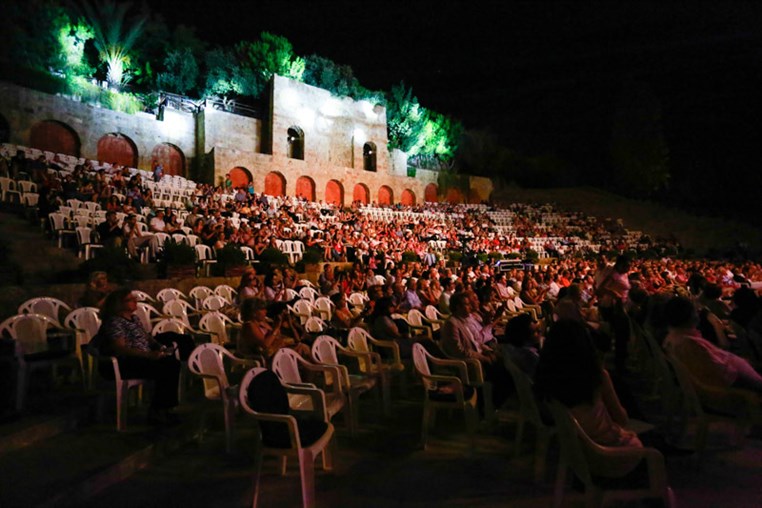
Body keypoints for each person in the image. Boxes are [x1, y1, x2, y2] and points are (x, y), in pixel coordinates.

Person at [534, 319, 641, 448]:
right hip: (604, 448)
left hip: (573, 444)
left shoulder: (546, 374)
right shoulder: (596, 377)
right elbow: (622, 419)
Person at [95, 289, 182, 425]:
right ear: (119, 304)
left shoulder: (134, 318)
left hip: (141, 358)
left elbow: (146, 337)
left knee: (172, 363)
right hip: (123, 363)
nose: (135, 301)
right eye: (130, 299)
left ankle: (165, 408)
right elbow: (121, 348)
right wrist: (148, 355)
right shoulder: (115, 322)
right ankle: (158, 410)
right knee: (166, 367)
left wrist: (159, 347)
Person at [664, 296, 762, 394]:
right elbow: (724, 376)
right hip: (743, 385)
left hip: (742, 374)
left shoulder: (678, 338)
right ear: (687, 315)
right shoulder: (688, 344)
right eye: (695, 311)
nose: (698, 313)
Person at [238, 298, 309, 360]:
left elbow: (277, 335)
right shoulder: (249, 326)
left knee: (303, 347)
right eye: (262, 309)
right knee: (303, 349)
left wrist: (287, 323)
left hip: (275, 351)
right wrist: (276, 327)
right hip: (263, 356)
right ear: (253, 312)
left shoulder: (262, 322)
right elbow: (265, 345)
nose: (265, 311)